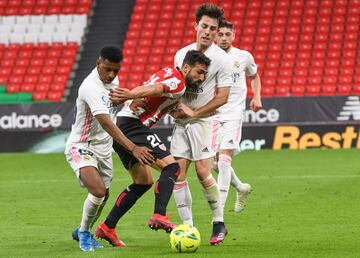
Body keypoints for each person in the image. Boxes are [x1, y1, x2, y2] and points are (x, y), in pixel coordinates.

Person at [94, 50, 211, 247]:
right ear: (186, 68)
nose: (201, 78)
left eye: (204, 75)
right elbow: (157, 89)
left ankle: (107, 227)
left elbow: (158, 93)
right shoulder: (179, 82)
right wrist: (130, 94)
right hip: (131, 125)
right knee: (172, 168)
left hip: (121, 126)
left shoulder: (168, 71)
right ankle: (159, 215)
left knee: (142, 181)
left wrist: (172, 107)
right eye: (199, 72)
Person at [65, 46, 154, 252]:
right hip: (82, 144)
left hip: (103, 148)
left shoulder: (113, 82)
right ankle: (85, 234)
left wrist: (133, 100)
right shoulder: (90, 87)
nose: (112, 75)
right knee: (97, 191)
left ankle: (81, 229)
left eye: (116, 70)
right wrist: (133, 148)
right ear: (98, 64)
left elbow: (115, 109)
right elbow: (106, 122)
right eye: (107, 69)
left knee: (103, 195)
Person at [170, 3, 233, 245]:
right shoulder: (180, 54)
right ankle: (188, 226)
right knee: (178, 173)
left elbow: (222, 97)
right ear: (195, 26)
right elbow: (175, 86)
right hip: (181, 122)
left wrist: (194, 112)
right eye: (204, 26)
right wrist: (174, 108)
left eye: (213, 29)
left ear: (218, 32)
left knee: (203, 171)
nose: (207, 32)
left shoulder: (222, 60)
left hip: (205, 121)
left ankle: (219, 222)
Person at [215, 20, 262, 212]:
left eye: (228, 34)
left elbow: (254, 76)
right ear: (215, 36)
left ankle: (218, 213)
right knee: (212, 163)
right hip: (212, 113)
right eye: (221, 34)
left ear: (234, 35)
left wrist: (256, 96)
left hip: (233, 112)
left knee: (225, 157)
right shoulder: (208, 57)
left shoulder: (243, 56)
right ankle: (241, 187)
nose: (224, 38)